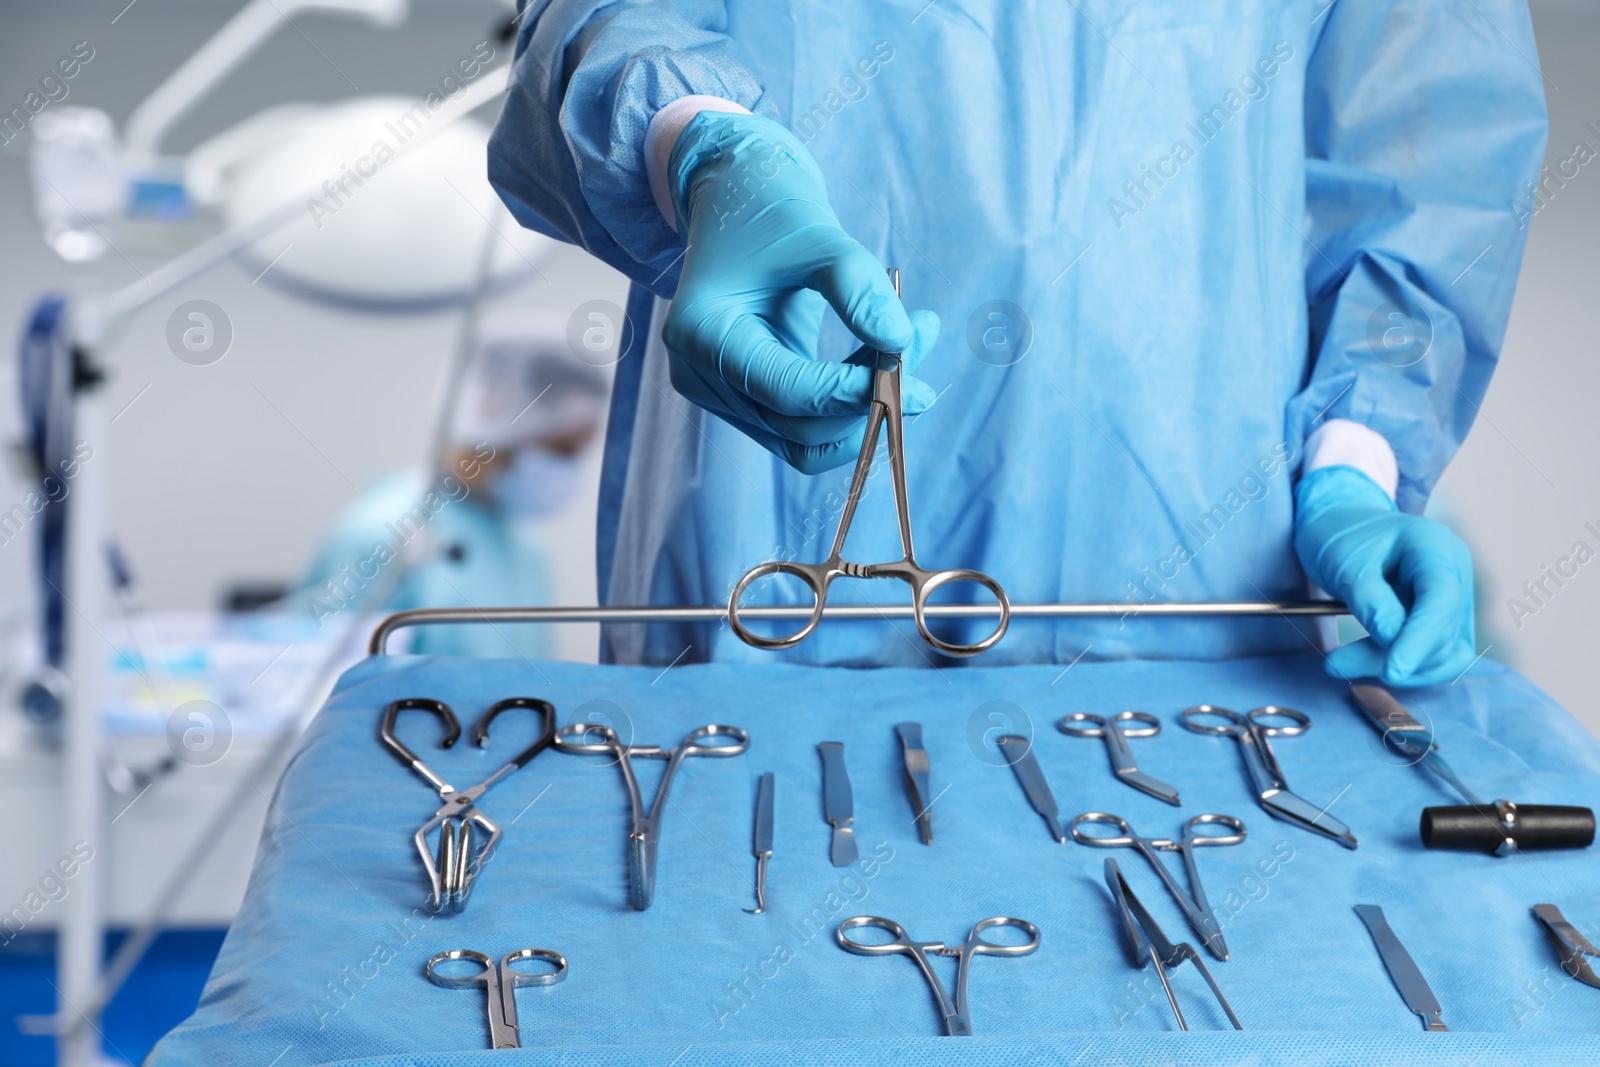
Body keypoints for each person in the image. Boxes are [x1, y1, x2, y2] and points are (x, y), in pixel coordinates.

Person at [487, 2, 1546, 683]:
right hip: (764, 561)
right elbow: (594, 25)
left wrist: (1353, 465)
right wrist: (700, 145)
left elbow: (1432, 158)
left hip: (1201, 588)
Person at [291, 317, 607, 657]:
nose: (569, 470)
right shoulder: (381, 534)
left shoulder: (524, 544)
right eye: (560, 449)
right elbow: (325, 686)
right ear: (493, 416)